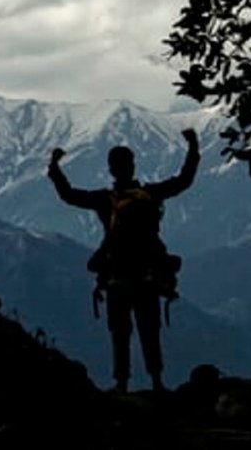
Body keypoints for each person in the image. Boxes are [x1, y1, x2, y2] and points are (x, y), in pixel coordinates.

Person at [47, 129, 200, 393]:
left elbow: (69, 195)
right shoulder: (150, 194)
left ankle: (121, 383)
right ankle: (156, 381)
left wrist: (55, 168)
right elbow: (183, 181)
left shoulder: (105, 200)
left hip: (117, 274)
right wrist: (193, 148)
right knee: (149, 330)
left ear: (111, 169)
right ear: (132, 166)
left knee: (120, 332)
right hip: (148, 273)